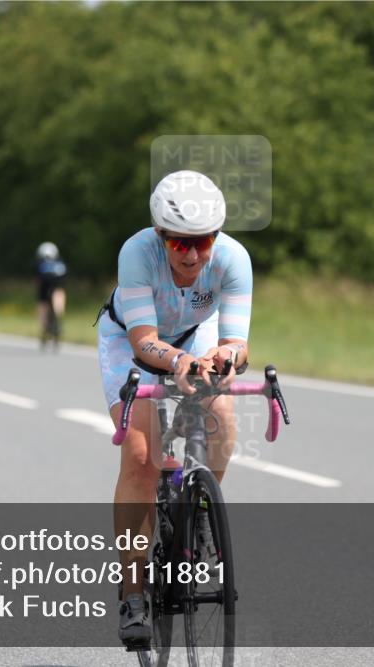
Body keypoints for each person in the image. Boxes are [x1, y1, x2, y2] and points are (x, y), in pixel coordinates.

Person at [96, 170, 252, 644]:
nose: (192, 255)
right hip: (131, 341)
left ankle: (199, 509)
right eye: (180, 243)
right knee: (142, 456)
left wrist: (226, 358)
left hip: (195, 334)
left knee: (222, 416)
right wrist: (180, 362)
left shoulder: (233, 258)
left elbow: (237, 342)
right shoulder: (137, 253)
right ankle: (133, 591)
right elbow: (144, 342)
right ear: (160, 235)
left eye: (203, 242)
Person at [35, 242, 67, 350]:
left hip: (45, 292)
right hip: (57, 290)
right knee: (59, 297)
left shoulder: (40, 264)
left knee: (43, 307)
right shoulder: (59, 263)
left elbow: (37, 280)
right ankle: (58, 319)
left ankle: (44, 327)